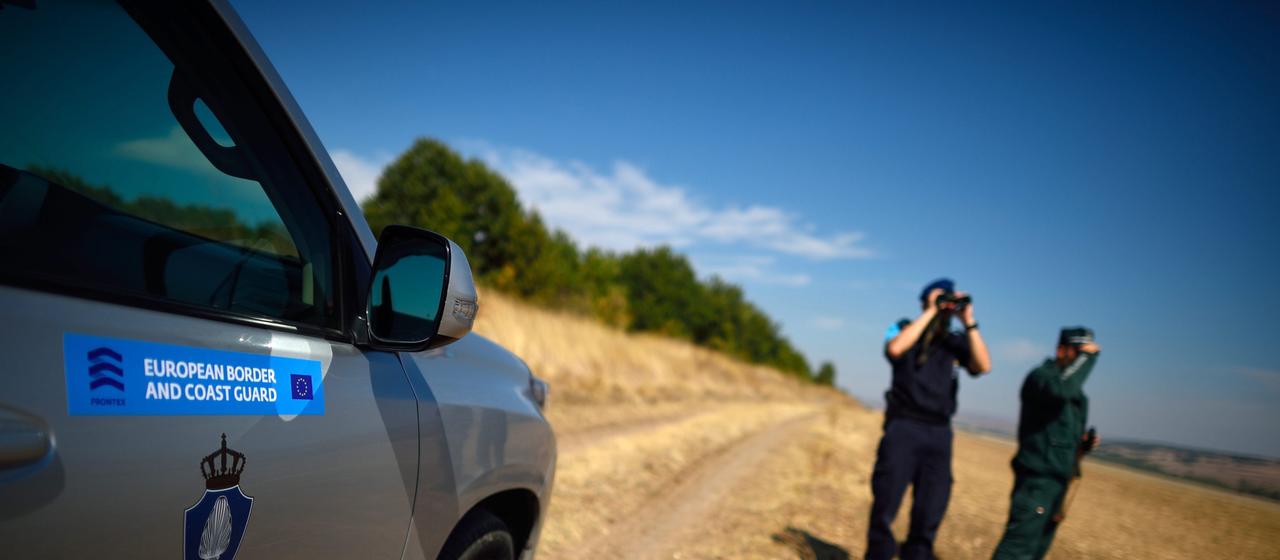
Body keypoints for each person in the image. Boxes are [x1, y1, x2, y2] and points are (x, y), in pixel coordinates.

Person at [865, 278, 991, 560]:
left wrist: (968, 320)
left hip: (939, 433)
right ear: (925, 300)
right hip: (904, 426)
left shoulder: (955, 341)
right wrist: (931, 311)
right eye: (939, 298)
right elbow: (895, 349)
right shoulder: (902, 327)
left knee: (929, 511)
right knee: (885, 505)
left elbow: (983, 366)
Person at [992, 327, 1101, 560]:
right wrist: (1089, 357)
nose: (1082, 360)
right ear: (1062, 350)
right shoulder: (1042, 378)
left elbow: (1061, 432)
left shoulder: (1077, 396)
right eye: (1079, 353)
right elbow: (1060, 389)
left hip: (1059, 484)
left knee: (1035, 553)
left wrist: (1082, 446)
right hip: (1037, 482)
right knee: (1016, 551)